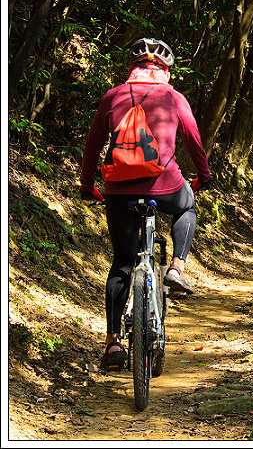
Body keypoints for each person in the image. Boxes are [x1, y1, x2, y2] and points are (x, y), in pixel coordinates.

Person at [79, 38, 211, 371]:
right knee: (186, 207)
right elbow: (194, 140)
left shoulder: (113, 96)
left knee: (123, 261)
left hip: (118, 191)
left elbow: (92, 147)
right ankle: (177, 267)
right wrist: (203, 176)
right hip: (164, 184)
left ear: (132, 69)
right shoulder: (173, 97)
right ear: (165, 71)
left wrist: (87, 187)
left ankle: (112, 343)